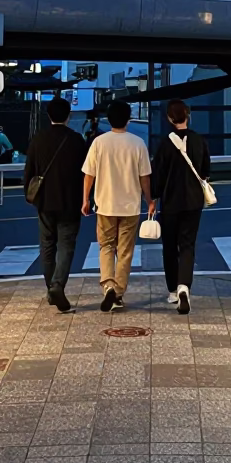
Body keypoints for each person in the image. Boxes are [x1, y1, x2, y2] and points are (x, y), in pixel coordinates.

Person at [82, 101, 154, 312]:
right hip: (130, 206)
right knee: (125, 251)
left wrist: (85, 199)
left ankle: (108, 286)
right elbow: (145, 177)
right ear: (128, 119)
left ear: (109, 119)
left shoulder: (99, 143)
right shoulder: (138, 143)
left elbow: (89, 174)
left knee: (106, 246)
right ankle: (119, 292)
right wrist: (149, 200)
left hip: (105, 204)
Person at [24, 97, 88, 312]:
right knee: (66, 245)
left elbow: (29, 171)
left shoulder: (38, 139)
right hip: (70, 200)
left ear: (48, 115)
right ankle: (57, 285)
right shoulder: (76, 140)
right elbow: (86, 172)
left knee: (47, 245)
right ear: (68, 115)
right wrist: (87, 198)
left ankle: (51, 286)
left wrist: (30, 196)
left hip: (44, 201)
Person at [151, 100, 211, 315]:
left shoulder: (165, 144)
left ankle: (172, 290)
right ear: (188, 115)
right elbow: (205, 171)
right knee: (187, 244)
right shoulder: (199, 140)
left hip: (170, 202)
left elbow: (157, 175)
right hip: (193, 201)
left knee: (169, 246)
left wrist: (153, 199)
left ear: (169, 118)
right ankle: (184, 286)